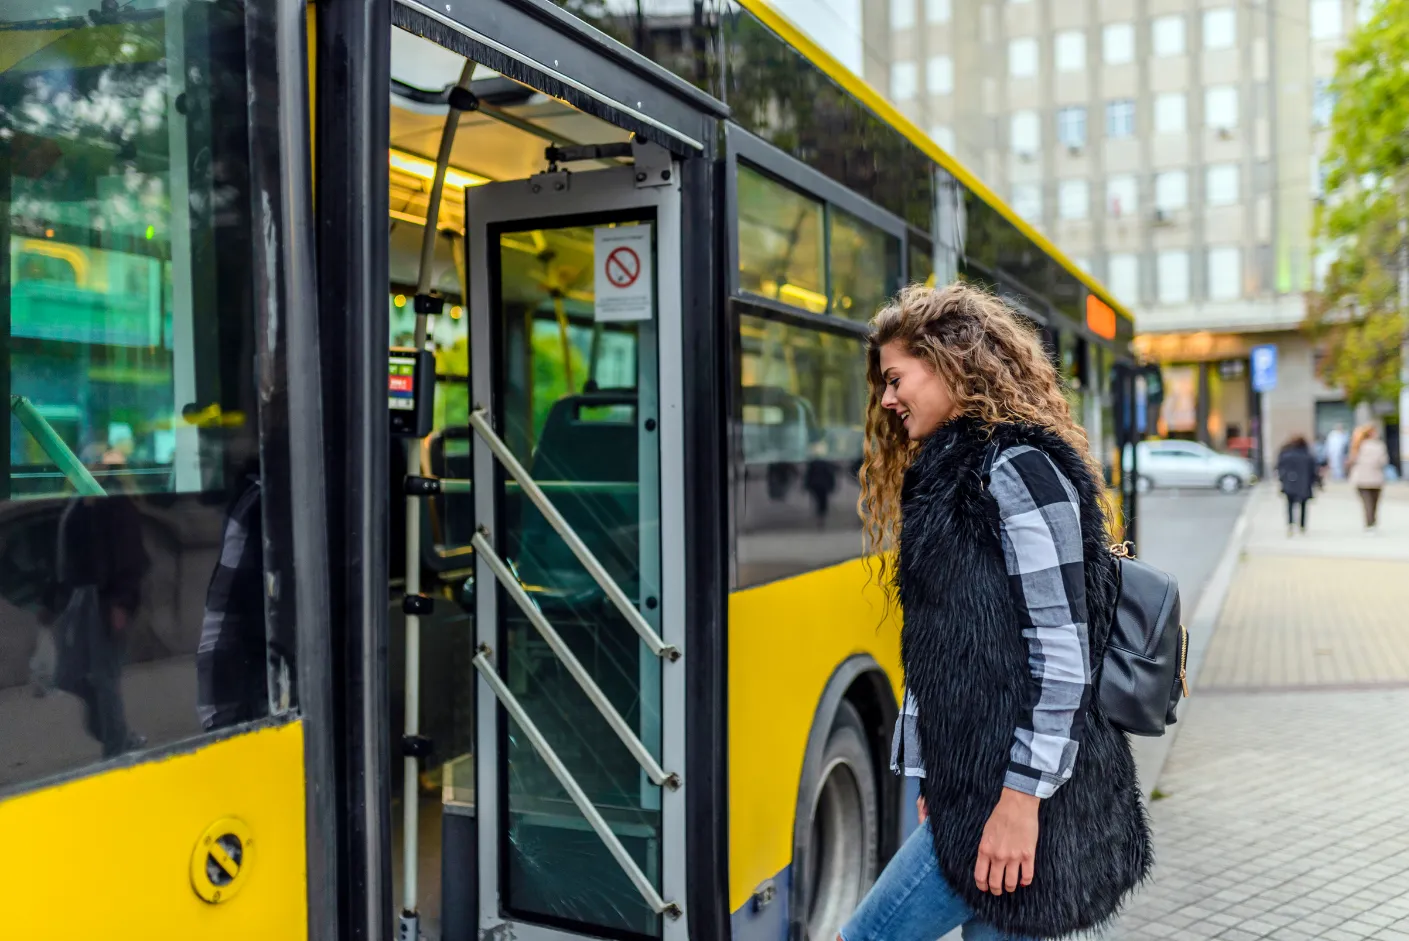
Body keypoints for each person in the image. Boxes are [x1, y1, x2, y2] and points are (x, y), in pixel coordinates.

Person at [844, 284, 1149, 941]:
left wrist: (1017, 803)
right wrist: (930, 769)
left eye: (895, 378)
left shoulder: (1017, 471)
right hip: (972, 791)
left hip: (1015, 797)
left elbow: (1062, 656)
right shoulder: (949, 476)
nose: (887, 399)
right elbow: (938, 651)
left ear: (951, 360)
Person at [1347, 423, 1390, 531]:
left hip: (1360, 478)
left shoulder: (1357, 445)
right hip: (1376, 478)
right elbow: (1383, 461)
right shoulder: (1379, 446)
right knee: (1375, 501)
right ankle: (1372, 522)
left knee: (1366, 502)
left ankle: (1369, 523)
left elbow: (1351, 460)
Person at [1276, 435, 1317, 535]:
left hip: (1290, 483)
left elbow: (1280, 468)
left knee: (1290, 505)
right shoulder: (1307, 456)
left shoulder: (1286, 455)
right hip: (1304, 484)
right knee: (1303, 505)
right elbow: (1313, 471)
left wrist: (1282, 480)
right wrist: (1315, 482)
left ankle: (1290, 524)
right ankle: (1302, 525)